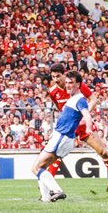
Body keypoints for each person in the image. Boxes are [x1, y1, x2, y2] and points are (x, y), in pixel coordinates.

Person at [46, 63, 108, 197]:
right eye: (53, 77)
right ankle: (49, 189)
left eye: (58, 76)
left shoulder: (77, 86)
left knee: (104, 152)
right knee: (56, 156)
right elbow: (61, 109)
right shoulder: (52, 91)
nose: (56, 80)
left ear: (64, 74)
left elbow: (93, 99)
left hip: (83, 126)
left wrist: (84, 114)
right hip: (69, 127)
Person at [32, 71, 93, 202]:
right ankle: (46, 198)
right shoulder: (73, 99)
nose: (68, 85)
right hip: (64, 138)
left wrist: (88, 128)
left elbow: (87, 114)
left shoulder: (79, 99)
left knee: (35, 168)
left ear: (78, 84)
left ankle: (57, 191)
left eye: (71, 83)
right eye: (67, 83)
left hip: (62, 137)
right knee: (42, 167)